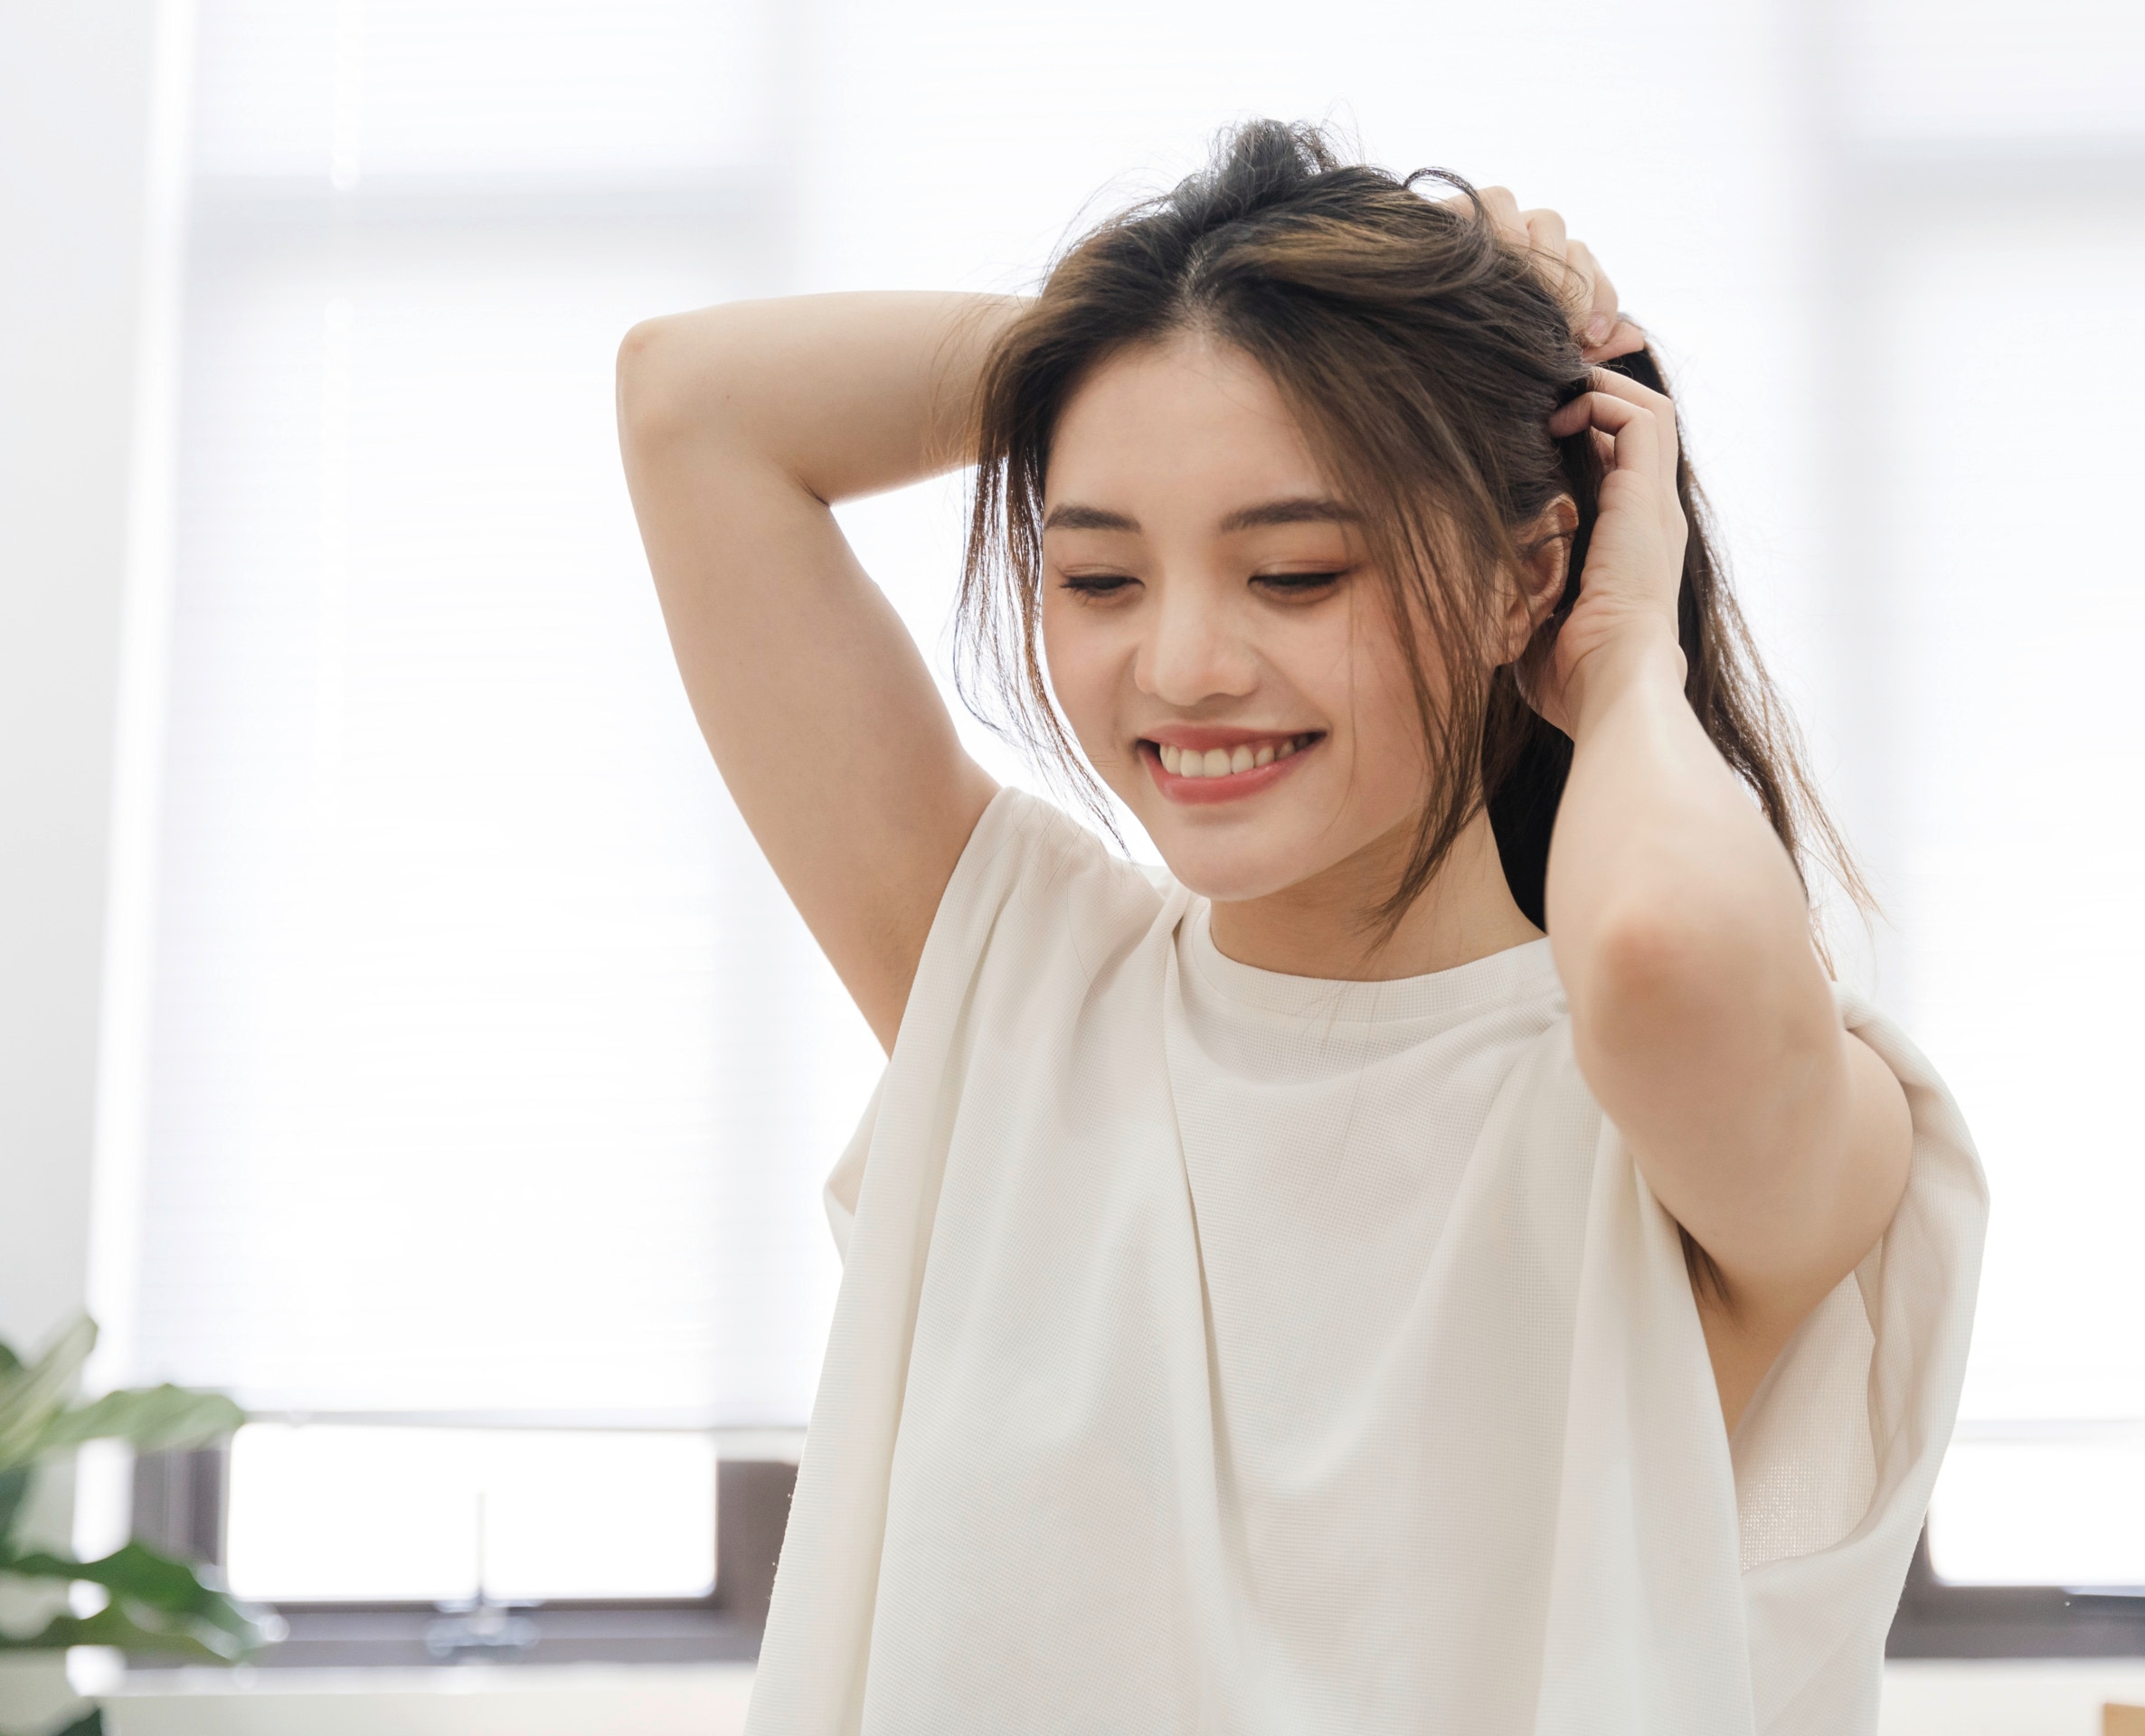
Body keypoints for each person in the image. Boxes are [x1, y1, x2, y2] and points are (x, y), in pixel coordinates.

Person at [617, 120, 1986, 1736]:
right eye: (1104, 580)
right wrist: (1186, 326)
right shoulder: (1019, 988)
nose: (1185, 666)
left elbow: (1657, 953)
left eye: (1295, 572)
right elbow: (690, 405)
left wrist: (1623, 653)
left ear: (1524, 581)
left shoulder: (1666, 1105)